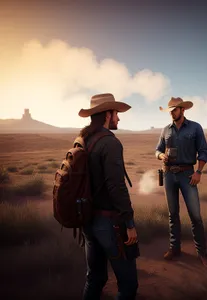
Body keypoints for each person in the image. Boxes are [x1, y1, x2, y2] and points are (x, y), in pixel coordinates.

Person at [78, 93, 139, 300]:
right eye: (116, 114)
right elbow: (117, 187)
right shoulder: (110, 143)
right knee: (128, 284)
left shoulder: (84, 139)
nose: (118, 119)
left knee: (94, 278)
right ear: (107, 114)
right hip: (109, 223)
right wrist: (129, 223)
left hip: (87, 220)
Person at [155, 97, 207, 266]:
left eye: (174, 110)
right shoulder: (166, 130)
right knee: (173, 215)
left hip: (188, 175)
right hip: (169, 175)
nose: (172, 112)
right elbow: (157, 149)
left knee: (195, 216)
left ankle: (202, 253)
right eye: (170, 110)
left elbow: (203, 152)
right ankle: (175, 248)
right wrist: (161, 155)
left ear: (182, 110)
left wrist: (199, 172)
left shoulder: (195, 127)